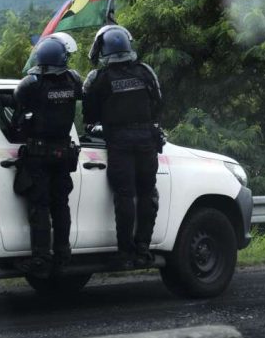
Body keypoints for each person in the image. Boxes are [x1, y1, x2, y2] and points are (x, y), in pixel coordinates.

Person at [82, 25, 164, 267]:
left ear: (102, 49)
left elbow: (89, 116)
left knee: (125, 195)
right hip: (147, 140)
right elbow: (158, 103)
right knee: (147, 194)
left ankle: (125, 252)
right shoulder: (145, 71)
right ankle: (143, 249)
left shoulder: (98, 78)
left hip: (118, 142)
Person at [11, 33, 83, 273]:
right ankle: (63, 252)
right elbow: (85, 94)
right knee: (61, 205)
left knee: (40, 206)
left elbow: (18, 107)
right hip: (63, 153)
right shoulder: (73, 80)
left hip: (39, 155)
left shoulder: (31, 83)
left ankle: (41, 256)